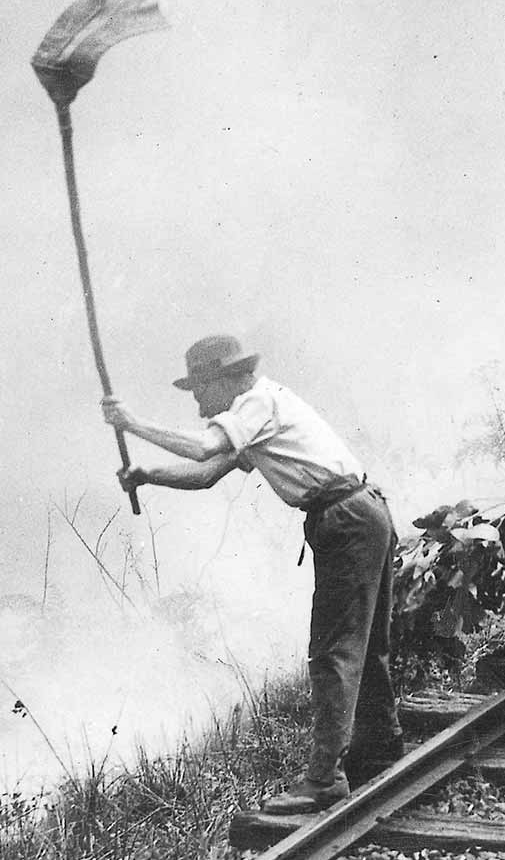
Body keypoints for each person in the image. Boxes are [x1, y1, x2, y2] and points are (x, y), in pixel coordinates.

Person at [101, 334, 402, 814]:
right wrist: (147, 474)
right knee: (364, 647)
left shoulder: (256, 402)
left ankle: (325, 779)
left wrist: (130, 422)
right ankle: (380, 751)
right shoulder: (259, 413)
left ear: (224, 378)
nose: (199, 404)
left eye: (200, 391)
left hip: (346, 519)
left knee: (334, 653)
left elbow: (203, 449)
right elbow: (206, 474)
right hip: (360, 513)